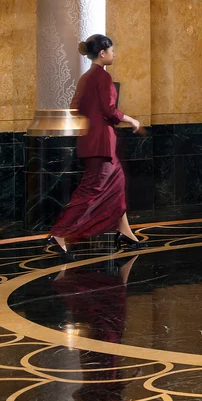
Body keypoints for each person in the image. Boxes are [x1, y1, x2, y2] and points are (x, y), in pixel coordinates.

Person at [46, 34, 147, 255]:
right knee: (90, 191)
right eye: (112, 50)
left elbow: (76, 107)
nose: (114, 53)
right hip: (101, 144)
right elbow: (109, 110)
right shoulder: (102, 77)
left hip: (92, 142)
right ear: (102, 53)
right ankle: (59, 232)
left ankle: (125, 231)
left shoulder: (86, 78)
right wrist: (131, 120)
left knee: (117, 183)